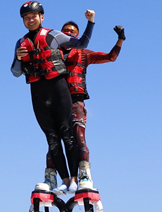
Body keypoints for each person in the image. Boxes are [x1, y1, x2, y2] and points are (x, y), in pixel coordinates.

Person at [11, 1, 95, 193]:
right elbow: (15, 72)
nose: (30, 20)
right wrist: (18, 57)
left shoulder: (53, 35)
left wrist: (91, 22)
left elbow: (81, 43)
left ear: (42, 16)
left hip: (58, 87)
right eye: (26, 17)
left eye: (34, 16)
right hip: (38, 90)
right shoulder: (20, 43)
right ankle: (64, 181)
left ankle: (76, 179)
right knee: (51, 138)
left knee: (67, 133)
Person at [44, 23, 125, 190]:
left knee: (79, 137)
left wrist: (120, 39)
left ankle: (85, 175)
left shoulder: (83, 54)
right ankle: (50, 177)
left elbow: (111, 57)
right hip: (56, 102)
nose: (69, 33)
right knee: (54, 141)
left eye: (73, 31)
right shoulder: (51, 54)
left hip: (75, 101)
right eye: (66, 31)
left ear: (77, 36)